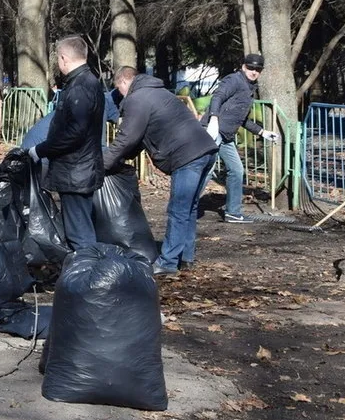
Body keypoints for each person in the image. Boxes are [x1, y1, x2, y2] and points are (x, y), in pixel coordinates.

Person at [104, 67, 219, 275]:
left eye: (118, 89)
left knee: (178, 210)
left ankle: (168, 262)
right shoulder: (158, 92)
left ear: (123, 83)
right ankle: (186, 257)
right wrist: (121, 158)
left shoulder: (137, 98)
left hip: (188, 155)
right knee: (189, 208)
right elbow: (139, 138)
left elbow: (127, 137)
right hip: (206, 150)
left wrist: (104, 163)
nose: (119, 95)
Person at [28, 35, 105, 249]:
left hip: (75, 171)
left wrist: (41, 149)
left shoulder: (80, 87)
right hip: (79, 168)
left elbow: (75, 132)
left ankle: (86, 277)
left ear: (63, 58)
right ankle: (84, 273)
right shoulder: (88, 82)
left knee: (79, 234)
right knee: (79, 227)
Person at [200, 53, 280, 223]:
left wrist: (262, 132)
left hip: (226, 135)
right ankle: (184, 207)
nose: (253, 71)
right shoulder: (234, 80)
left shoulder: (249, 87)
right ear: (244, 66)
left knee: (236, 170)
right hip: (213, 131)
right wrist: (213, 119)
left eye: (257, 69)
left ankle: (233, 213)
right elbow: (217, 97)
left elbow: (240, 118)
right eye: (250, 68)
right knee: (206, 170)